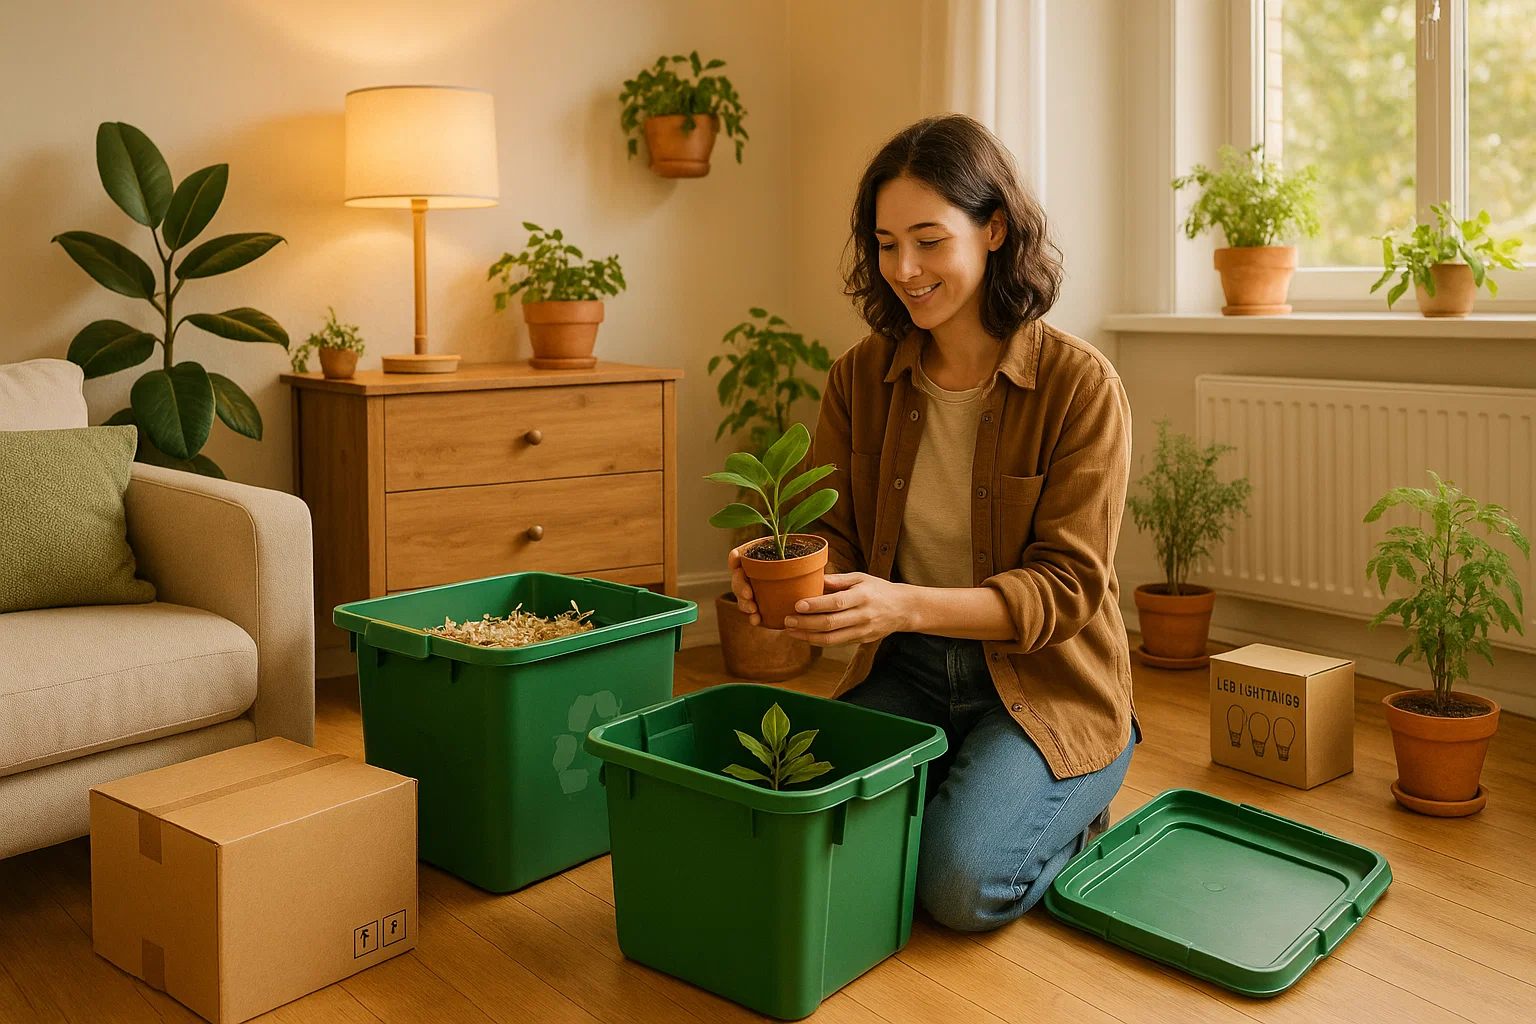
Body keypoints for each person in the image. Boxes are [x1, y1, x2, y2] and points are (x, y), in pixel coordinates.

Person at [727, 114, 1140, 933]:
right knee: (785, 825)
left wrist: (904, 604)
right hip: (907, 671)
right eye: (885, 244)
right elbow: (833, 532)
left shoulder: (1080, 386)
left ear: (993, 230)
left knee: (955, 889)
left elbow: (1066, 588)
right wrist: (779, 565)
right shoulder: (860, 378)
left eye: (928, 240)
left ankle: (1071, 809)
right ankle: (970, 790)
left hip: (1048, 687)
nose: (904, 270)